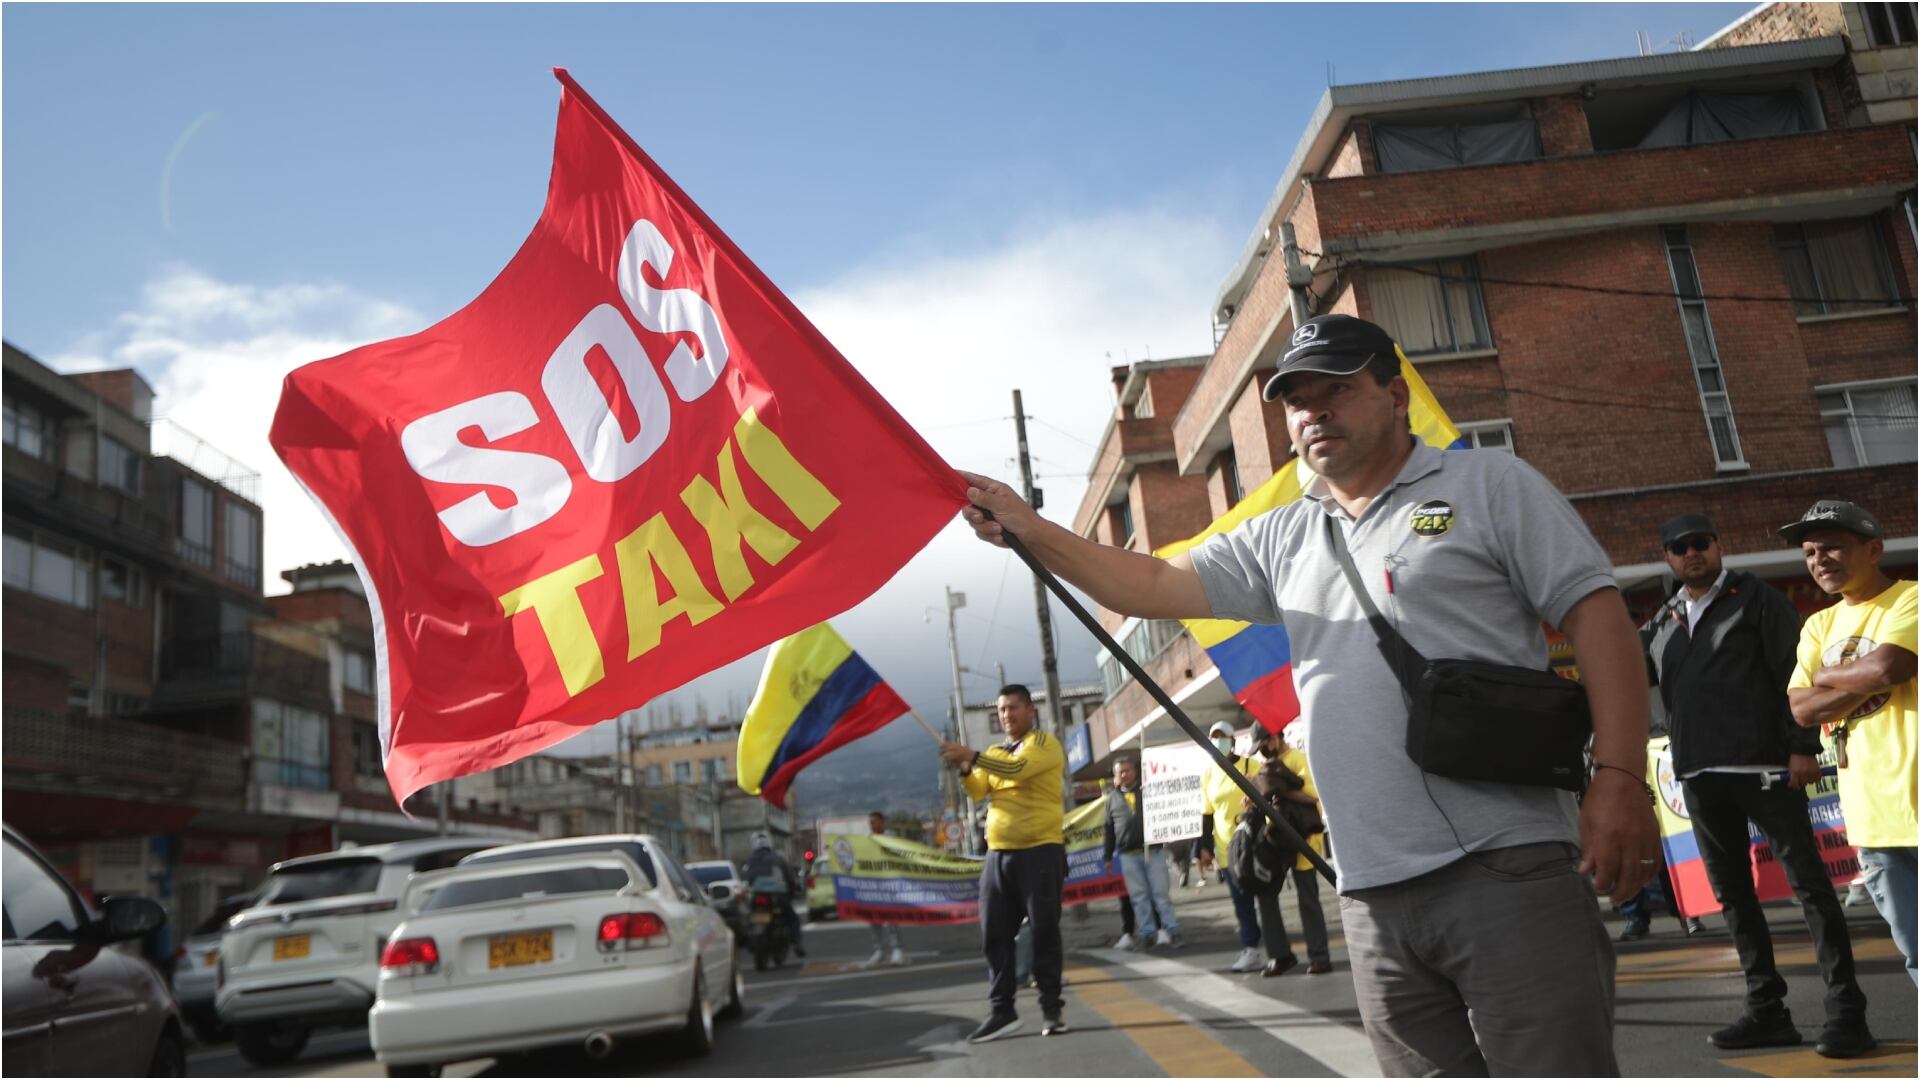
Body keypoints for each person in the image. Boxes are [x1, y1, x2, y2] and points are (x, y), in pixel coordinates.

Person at [961, 312, 1659, 1076]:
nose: (1314, 412)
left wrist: (1621, 781)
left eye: (1337, 391)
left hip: (1508, 865)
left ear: (1396, 397)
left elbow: (1601, 622)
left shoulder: (1492, 484)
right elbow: (1153, 582)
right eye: (1297, 400)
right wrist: (1032, 529)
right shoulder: (1282, 535)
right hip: (1368, 893)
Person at [1642, 512, 1870, 1057]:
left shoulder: (1756, 599)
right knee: (1733, 898)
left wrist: (1800, 746)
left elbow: (1795, 672)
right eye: (1679, 547)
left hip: (1765, 767)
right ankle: (1767, 1010)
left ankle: (1846, 1012)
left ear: (1718, 546)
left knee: (1810, 888)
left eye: (1700, 543)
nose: (1691, 554)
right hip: (1698, 775)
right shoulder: (1664, 618)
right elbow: (1634, 680)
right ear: (1668, 559)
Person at [1784, 500, 1917, 988]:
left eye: (1833, 546)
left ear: (1875, 549)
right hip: (1873, 822)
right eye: (1810, 552)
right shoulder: (1817, 626)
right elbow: (1800, 708)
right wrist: (1848, 681)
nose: (1820, 560)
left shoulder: (1911, 599)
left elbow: (1890, 668)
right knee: (1917, 956)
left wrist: (1826, 676)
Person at [940, 684, 1069, 1041]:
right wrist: (966, 767)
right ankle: (1002, 1010)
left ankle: (1051, 1008)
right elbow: (979, 790)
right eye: (1002, 710)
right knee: (993, 935)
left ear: (1030, 710)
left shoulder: (1044, 744)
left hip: (1040, 851)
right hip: (998, 855)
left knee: (1044, 932)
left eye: (1013, 708)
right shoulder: (996, 750)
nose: (1007, 715)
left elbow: (1017, 770)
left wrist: (973, 756)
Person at [1197, 719, 1266, 973]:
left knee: (1266, 898)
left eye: (1222, 736)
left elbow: (1269, 795)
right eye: (1214, 737)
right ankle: (1251, 948)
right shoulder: (1208, 774)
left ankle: (1277, 948)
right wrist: (1203, 848)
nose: (1218, 741)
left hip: (1256, 843)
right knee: (1241, 902)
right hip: (1228, 849)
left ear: (1233, 741)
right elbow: (1206, 813)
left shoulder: (1252, 765)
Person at [1267, 728, 1334, 975]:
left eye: (1264, 743)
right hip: (1278, 840)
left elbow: (1312, 796)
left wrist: (1281, 790)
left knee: (1308, 900)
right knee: (1268, 899)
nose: (1262, 750)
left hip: (1302, 838)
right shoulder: (1268, 764)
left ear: (1274, 739)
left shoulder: (1297, 759)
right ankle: (1280, 955)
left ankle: (1320, 957)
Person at [1103, 754, 1181, 949]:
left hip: (1152, 851)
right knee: (1139, 897)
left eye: (1127, 770)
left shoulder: (1149, 791)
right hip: (1128, 855)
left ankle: (1172, 931)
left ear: (1135, 771)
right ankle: (1147, 933)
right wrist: (1107, 856)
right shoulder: (1111, 799)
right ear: (1115, 775)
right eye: (1120, 772)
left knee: (1160, 894)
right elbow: (1108, 829)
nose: (1124, 774)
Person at [741, 832, 805, 958]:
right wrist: (792, 891)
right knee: (792, 918)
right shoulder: (778, 859)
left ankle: (749, 942)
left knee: (749, 917)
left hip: (757, 896)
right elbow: (789, 879)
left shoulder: (749, 862)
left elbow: (744, 879)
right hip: (778, 896)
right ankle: (797, 944)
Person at [863, 812, 909, 968]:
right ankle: (879, 951)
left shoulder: (891, 838)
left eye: (875, 822)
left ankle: (897, 949)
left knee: (891, 917)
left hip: (890, 884)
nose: (872, 826)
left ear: (882, 822)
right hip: (875, 885)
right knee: (874, 918)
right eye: (870, 823)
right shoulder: (867, 841)